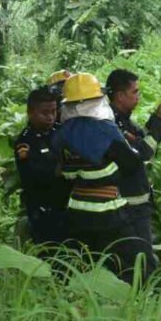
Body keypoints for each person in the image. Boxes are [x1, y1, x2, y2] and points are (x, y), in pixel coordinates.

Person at [53, 72, 150, 283]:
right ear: (97, 100)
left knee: (88, 263)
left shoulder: (61, 133)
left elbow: (62, 170)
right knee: (137, 265)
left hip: (77, 210)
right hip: (107, 209)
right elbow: (132, 163)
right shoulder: (104, 129)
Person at [105, 69, 161, 278]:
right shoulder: (113, 124)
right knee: (140, 263)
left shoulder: (124, 120)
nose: (138, 97)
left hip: (136, 205)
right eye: (135, 92)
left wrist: (157, 119)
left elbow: (141, 139)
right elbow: (142, 153)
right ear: (120, 95)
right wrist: (160, 122)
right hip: (129, 207)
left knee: (138, 259)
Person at [15, 81, 70, 247]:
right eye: (45, 113)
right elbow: (38, 174)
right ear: (30, 113)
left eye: (54, 111)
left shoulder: (58, 131)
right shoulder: (26, 142)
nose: (51, 117)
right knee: (51, 252)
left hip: (65, 205)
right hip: (43, 209)